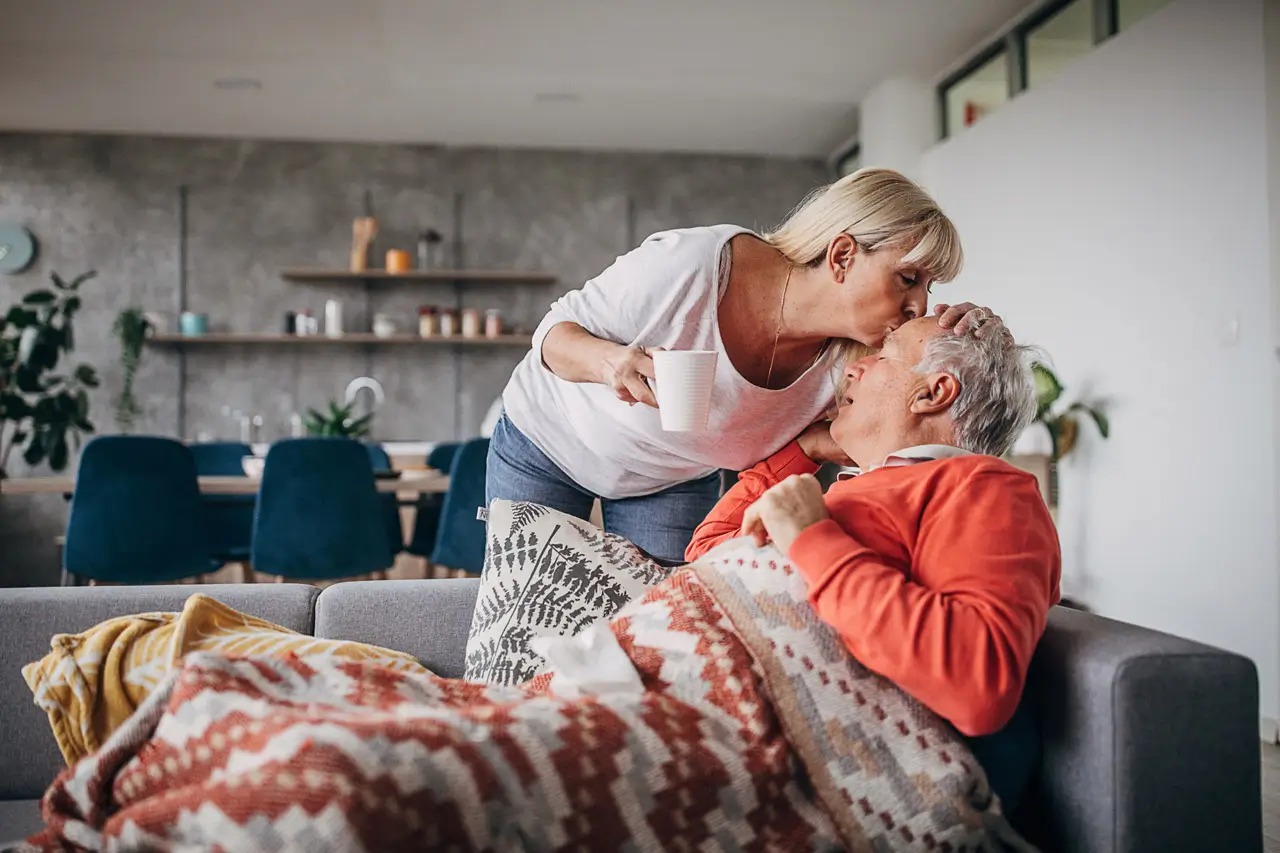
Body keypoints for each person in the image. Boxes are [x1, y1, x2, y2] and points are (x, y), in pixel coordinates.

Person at [489, 168, 1005, 562]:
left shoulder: (856, 366)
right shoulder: (690, 266)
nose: (918, 305)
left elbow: (918, 443)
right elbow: (552, 338)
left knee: (654, 626)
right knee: (525, 606)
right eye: (909, 278)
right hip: (549, 441)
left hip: (670, 478)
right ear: (843, 255)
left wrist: (983, 349)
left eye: (930, 289)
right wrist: (610, 362)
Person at [687, 314, 1061, 738]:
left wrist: (812, 539)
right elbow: (706, 554)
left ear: (933, 392)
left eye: (883, 356)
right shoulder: (867, 485)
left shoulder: (986, 488)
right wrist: (805, 450)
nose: (852, 369)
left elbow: (979, 686)